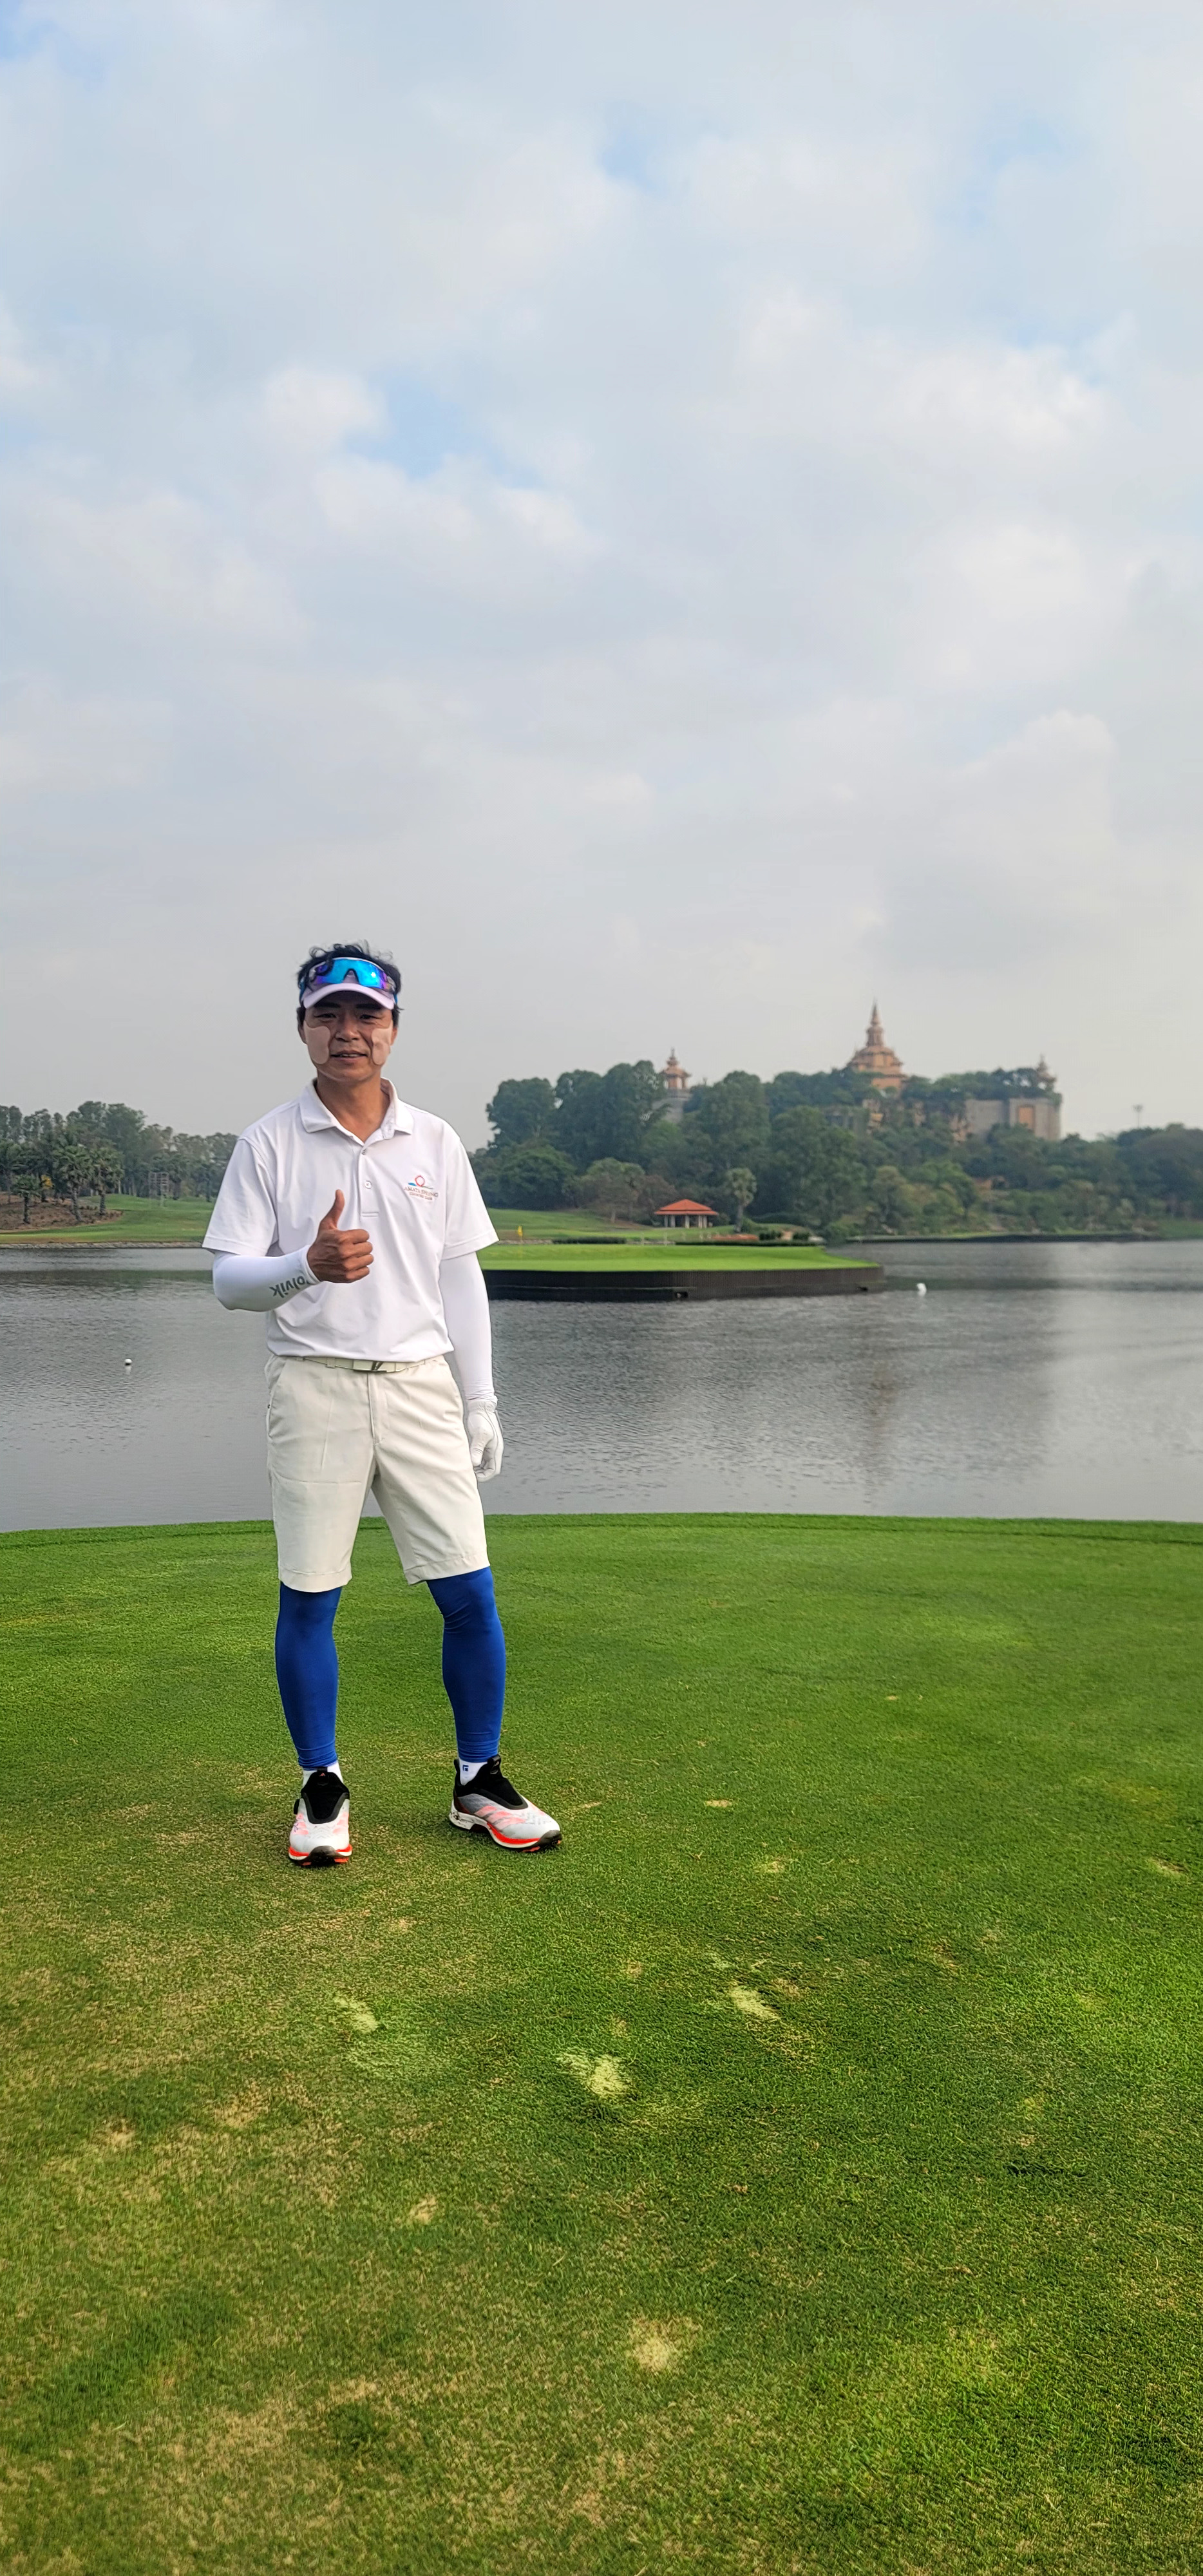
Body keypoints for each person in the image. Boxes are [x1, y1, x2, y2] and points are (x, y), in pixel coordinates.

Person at [203, 942, 560, 1867]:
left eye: (367, 1015)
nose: (348, 1031)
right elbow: (231, 1281)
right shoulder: (269, 1143)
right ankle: (322, 1785)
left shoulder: (433, 1141)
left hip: (420, 1386)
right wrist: (305, 1265)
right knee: (310, 1595)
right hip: (313, 1383)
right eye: (328, 1014)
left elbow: (459, 1277)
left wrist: (480, 1399)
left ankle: (478, 1779)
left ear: (393, 1029)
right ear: (303, 1028)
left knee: (469, 1592)